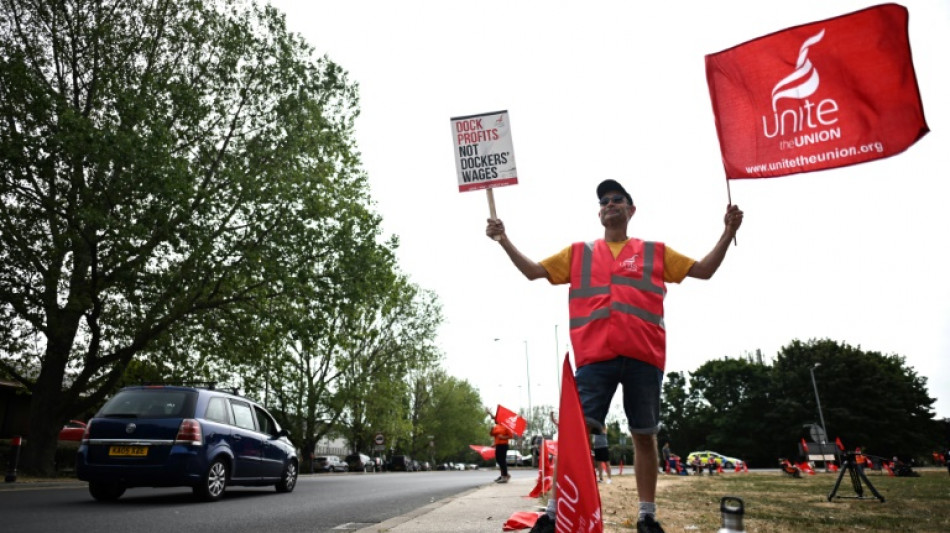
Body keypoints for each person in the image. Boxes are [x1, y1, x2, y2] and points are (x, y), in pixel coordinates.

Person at [486, 179, 743, 533]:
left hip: (644, 356)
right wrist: (503, 239)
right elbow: (533, 272)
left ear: (631, 209)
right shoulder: (579, 253)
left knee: (644, 435)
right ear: (599, 214)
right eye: (604, 201)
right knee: (576, 435)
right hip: (594, 358)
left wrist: (728, 233)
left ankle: (647, 516)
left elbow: (704, 270)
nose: (609, 204)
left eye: (617, 199)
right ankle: (554, 514)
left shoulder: (654, 251)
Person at [488, 408, 515, 483]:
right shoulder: (497, 426)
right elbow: (492, 435)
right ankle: (504, 474)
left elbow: (511, 436)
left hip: (503, 445)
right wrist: (491, 430)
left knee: (502, 460)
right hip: (498, 445)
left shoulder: (506, 426)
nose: (495, 420)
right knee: (498, 460)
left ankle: (504, 476)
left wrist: (503, 437)